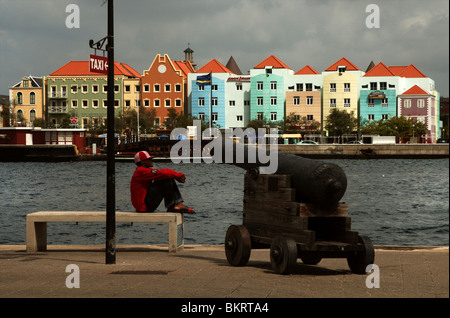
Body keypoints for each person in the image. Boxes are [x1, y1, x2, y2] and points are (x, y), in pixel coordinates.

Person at [130, 151, 195, 214]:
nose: (151, 160)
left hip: (144, 206)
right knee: (166, 177)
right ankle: (176, 205)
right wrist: (178, 175)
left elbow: (162, 173)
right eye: (149, 159)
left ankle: (173, 206)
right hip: (144, 207)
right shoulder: (140, 171)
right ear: (142, 162)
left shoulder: (142, 171)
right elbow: (162, 173)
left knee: (165, 176)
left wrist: (176, 176)